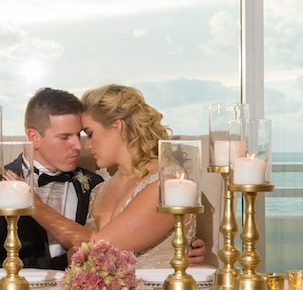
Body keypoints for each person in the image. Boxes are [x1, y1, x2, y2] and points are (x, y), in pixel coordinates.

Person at [26, 84, 198, 269]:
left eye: (89, 134)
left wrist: (34, 205)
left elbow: (98, 247)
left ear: (117, 127)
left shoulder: (168, 183)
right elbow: (81, 253)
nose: (85, 145)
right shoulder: (99, 188)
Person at [0, 88, 104, 270]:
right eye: (65, 137)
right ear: (34, 137)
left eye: (79, 135)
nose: (78, 145)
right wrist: (63, 263)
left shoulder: (95, 184)